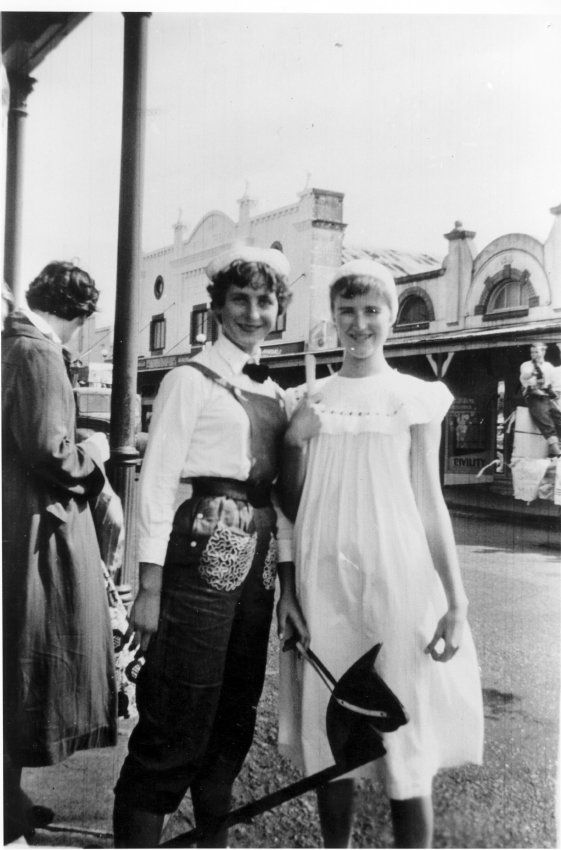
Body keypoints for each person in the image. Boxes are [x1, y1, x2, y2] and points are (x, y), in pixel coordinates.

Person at [278, 259, 484, 849]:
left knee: (404, 728)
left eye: (372, 311)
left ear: (392, 317)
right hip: (322, 580)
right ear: (332, 318)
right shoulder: (306, 398)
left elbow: (429, 501)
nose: (359, 324)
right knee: (332, 729)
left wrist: (456, 600)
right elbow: (289, 505)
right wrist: (287, 592)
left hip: (399, 577)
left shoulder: (414, 397)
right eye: (347, 311)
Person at [113, 245, 308, 848]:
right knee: (177, 715)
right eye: (240, 300)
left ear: (279, 309)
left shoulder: (278, 395)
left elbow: (281, 500)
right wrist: (147, 588)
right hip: (197, 553)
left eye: (265, 300)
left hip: (256, 565)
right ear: (217, 308)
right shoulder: (187, 380)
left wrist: (289, 589)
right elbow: (157, 482)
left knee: (231, 723)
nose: (253, 311)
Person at [2, 261, 117, 844]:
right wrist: (94, 454)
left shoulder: (12, 344)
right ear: (79, 313)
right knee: (29, 663)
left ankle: (9, 801)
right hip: (33, 529)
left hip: (14, 520)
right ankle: (6, 816)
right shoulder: (41, 353)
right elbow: (51, 448)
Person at [519, 342, 561, 457]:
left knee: (559, 418)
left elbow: (555, 381)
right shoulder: (527, 365)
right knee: (547, 424)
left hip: (547, 397)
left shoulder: (548, 366)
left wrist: (554, 392)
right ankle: (558, 454)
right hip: (534, 397)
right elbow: (524, 375)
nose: (535, 355)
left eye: (537, 352)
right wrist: (533, 373)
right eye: (532, 352)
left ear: (543, 351)